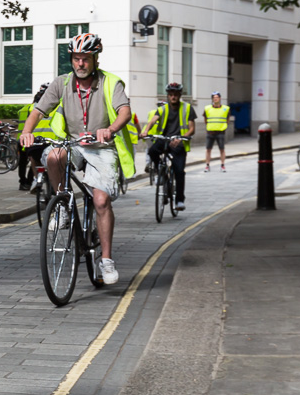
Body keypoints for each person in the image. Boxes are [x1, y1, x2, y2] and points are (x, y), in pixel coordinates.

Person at [19, 33, 133, 286]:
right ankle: (62, 205)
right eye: (76, 58)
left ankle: (106, 260)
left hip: (101, 147)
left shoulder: (109, 83)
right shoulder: (61, 83)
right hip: (74, 144)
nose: (80, 64)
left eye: (86, 59)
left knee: (101, 201)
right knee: (54, 155)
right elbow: (39, 111)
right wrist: (27, 132)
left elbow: (125, 111)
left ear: (95, 59)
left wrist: (110, 129)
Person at [142, 82, 197, 211]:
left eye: (176, 94)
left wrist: (181, 138)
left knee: (179, 172)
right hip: (165, 140)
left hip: (179, 142)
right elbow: (153, 120)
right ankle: (161, 173)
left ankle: (179, 201)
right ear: (167, 95)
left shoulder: (187, 108)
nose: (173, 97)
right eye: (171, 94)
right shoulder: (162, 109)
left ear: (180, 95)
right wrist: (146, 131)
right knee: (152, 151)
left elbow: (192, 128)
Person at [19, 84, 54, 191]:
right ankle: (53, 184)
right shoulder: (56, 107)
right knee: (54, 164)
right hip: (52, 142)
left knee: (34, 160)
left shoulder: (31, 108)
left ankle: (36, 179)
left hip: (34, 142)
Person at [203, 91, 230, 172]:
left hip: (220, 132)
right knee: (208, 149)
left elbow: (227, 119)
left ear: (220, 98)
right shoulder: (207, 108)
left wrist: (224, 126)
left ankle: (222, 165)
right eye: (214, 98)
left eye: (217, 97)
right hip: (210, 132)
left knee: (222, 149)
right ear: (212, 99)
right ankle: (207, 165)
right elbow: (205, 119)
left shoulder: (226, 109)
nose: (215, 99)